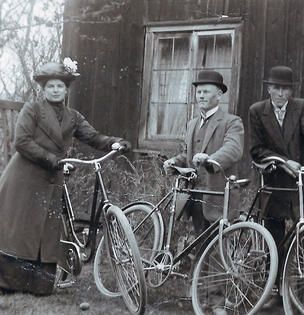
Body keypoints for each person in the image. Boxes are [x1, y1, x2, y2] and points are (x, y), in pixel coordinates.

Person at [0, 60, 131, 296]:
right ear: (43, 89)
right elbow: (22, 141)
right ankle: (10, 283)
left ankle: (40, 284)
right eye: (51, 86)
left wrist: (114, 143)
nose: (56, 90)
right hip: (24, 177)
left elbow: (93, 137)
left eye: (60, 86)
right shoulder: (32, 109)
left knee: (45, 231)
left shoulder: (73, 117)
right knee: (19, 230)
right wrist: (52, 160)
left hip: (51, 179)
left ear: (66, 89)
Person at [249, 65, 304, 306]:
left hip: (300, 181)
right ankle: (273, 290)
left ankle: (303, 289)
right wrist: (282, 161)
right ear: (268, 89)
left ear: (291, 91)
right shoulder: (257, 111)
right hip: (274, 180)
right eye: (275, 88)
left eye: (285, 89)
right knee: (273, 236)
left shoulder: (302, 107)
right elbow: (256, 149)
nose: (280, 94)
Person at [163, 70, 244, 237]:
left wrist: (210, 159)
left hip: (219, 196)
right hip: (195, 196)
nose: (201, 96)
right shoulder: (192, 124)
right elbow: (188, 155)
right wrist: (174, 162)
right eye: (198, 92)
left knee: (217, 250)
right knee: (200, 246)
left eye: (206, 92)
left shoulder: (232, 122)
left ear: (219, 95)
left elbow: (233, 149)